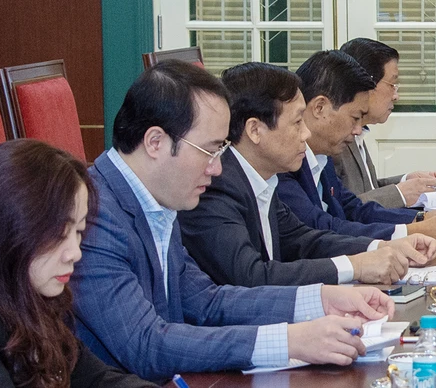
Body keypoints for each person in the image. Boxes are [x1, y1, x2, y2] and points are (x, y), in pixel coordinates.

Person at [70, 61, 395, 382]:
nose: (216, 168)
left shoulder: (154, 199)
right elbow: (147, 345)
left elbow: (206, 302)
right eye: (209, 150)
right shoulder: (93, 216)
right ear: (156, 142)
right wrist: (289, 341)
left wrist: (322, 299)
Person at [179, 62, 436, 287]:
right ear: (255, 130)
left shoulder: (261, 178)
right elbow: (251, 276)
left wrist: (381, 248)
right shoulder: (216, 185)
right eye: (296, 122)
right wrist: (356, 266)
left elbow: (304, 240)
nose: (306, 133)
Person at [0, 139, 153, 388]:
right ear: (9, 227)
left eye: (78, 231)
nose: (75, 253)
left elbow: (97, 379)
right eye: (59, 233)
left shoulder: (39, 302)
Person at [277, 50, 436, 245]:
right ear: (320, 108)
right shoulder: (282, 164)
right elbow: (323, 227)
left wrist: (425, 219)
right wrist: (417, 231)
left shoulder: (321, 156)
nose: (357, 130)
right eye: (355, 118)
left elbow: (354, 209)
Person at [335, 37, 436, 208]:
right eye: (392, 84)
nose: (396, 96)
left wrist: (407, 181)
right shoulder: (334, 140)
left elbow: (367, 189)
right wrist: (400, 193)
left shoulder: (358, 131)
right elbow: (342, 209)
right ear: (365, 83)